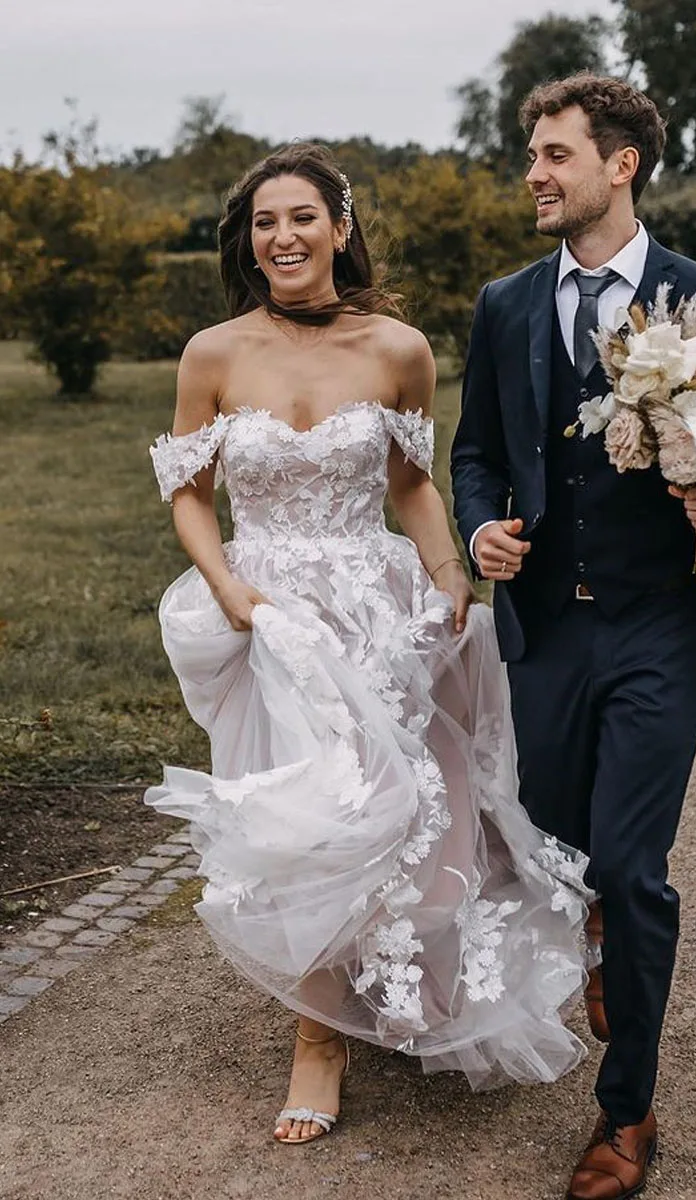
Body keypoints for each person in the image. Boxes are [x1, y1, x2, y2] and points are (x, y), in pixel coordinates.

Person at [144, 142, 592, 1148]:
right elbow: (188, 495)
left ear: (339, 229)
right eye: (264, 222)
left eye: (302, 217)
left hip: (377, 605)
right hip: (272, 617)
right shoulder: (214, 352)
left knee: (405, 819)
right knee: (306, 824)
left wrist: (447, 581)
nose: (283, 237)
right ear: (248, 241)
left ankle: (391, 991)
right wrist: (232, 592)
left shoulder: (398, 347)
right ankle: (319, 1041)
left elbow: (412, 486)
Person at [451, 75, 696, 1200]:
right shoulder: (505, 304)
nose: (535, 173)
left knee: (637, 871)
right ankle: (593, 903)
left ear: (621, 164)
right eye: (533, 155)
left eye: (555, 154)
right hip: (545, 630)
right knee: (560, 849)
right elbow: (474, 454)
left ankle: (626, 1114)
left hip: (661, 629)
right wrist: (481, 530)